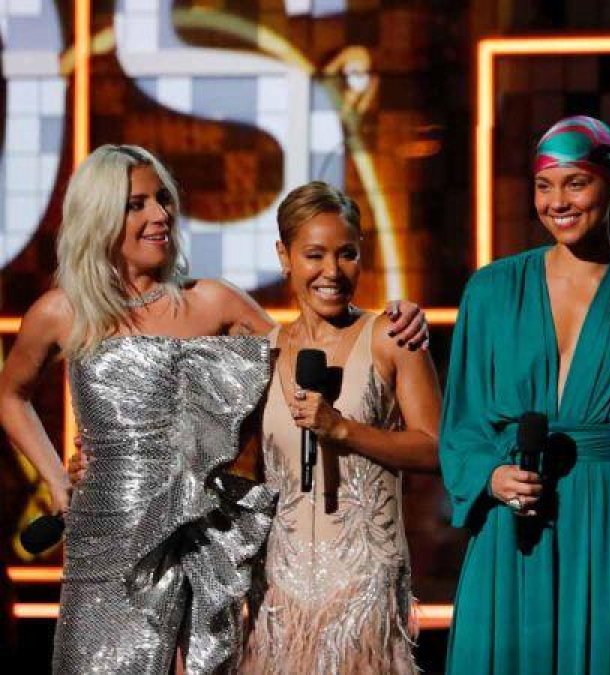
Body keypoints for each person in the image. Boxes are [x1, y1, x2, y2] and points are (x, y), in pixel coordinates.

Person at [0, 144, 427, 673]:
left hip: (200, 538)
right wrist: (58, 482)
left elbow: (304, 343)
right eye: (137, 204)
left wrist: (390, 319)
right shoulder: (62, 312)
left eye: (162, 199)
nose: (160, 214)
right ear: (100, 213)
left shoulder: (211, 302)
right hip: (106, 542)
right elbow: (10, 395)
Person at [441, 116, 610, 674]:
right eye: (545, 185)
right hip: (513, 526)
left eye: (575, 182)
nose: (557, 201)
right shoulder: (492, 288)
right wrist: (491, 476)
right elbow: (463, 422)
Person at [240, 182, 441, 673]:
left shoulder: (392, 338)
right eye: (314, 255)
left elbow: (436, 449)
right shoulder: (258, 353)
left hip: (363, 587)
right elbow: (240, 470)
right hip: (281, 595)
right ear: (284, 257)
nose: (332, 272)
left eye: (346, 254)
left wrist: (344, 430)